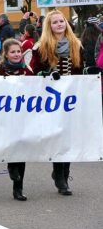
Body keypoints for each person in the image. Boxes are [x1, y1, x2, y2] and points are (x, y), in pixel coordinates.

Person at [30, 10, 83, 196]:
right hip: (51, 98)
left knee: (68, 136)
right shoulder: (41, 46)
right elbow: (34, 72)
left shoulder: (76, 45)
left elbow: (80, 70)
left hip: (71, 98)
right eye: (55, 22)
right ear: (49, 26)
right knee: (57, 135)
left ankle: (64, 175)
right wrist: (45, 74)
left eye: (62, 21)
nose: (59, 24)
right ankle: (59, 175)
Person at [0, 39, 33, 201]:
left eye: (18, 52)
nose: (16, 55)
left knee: (21, 150)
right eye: (13, 52)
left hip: (23, 116)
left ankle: (18, 189)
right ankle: (10, 166)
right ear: (6, 54)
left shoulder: (27, 70)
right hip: (5, 116)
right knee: (11, 146)